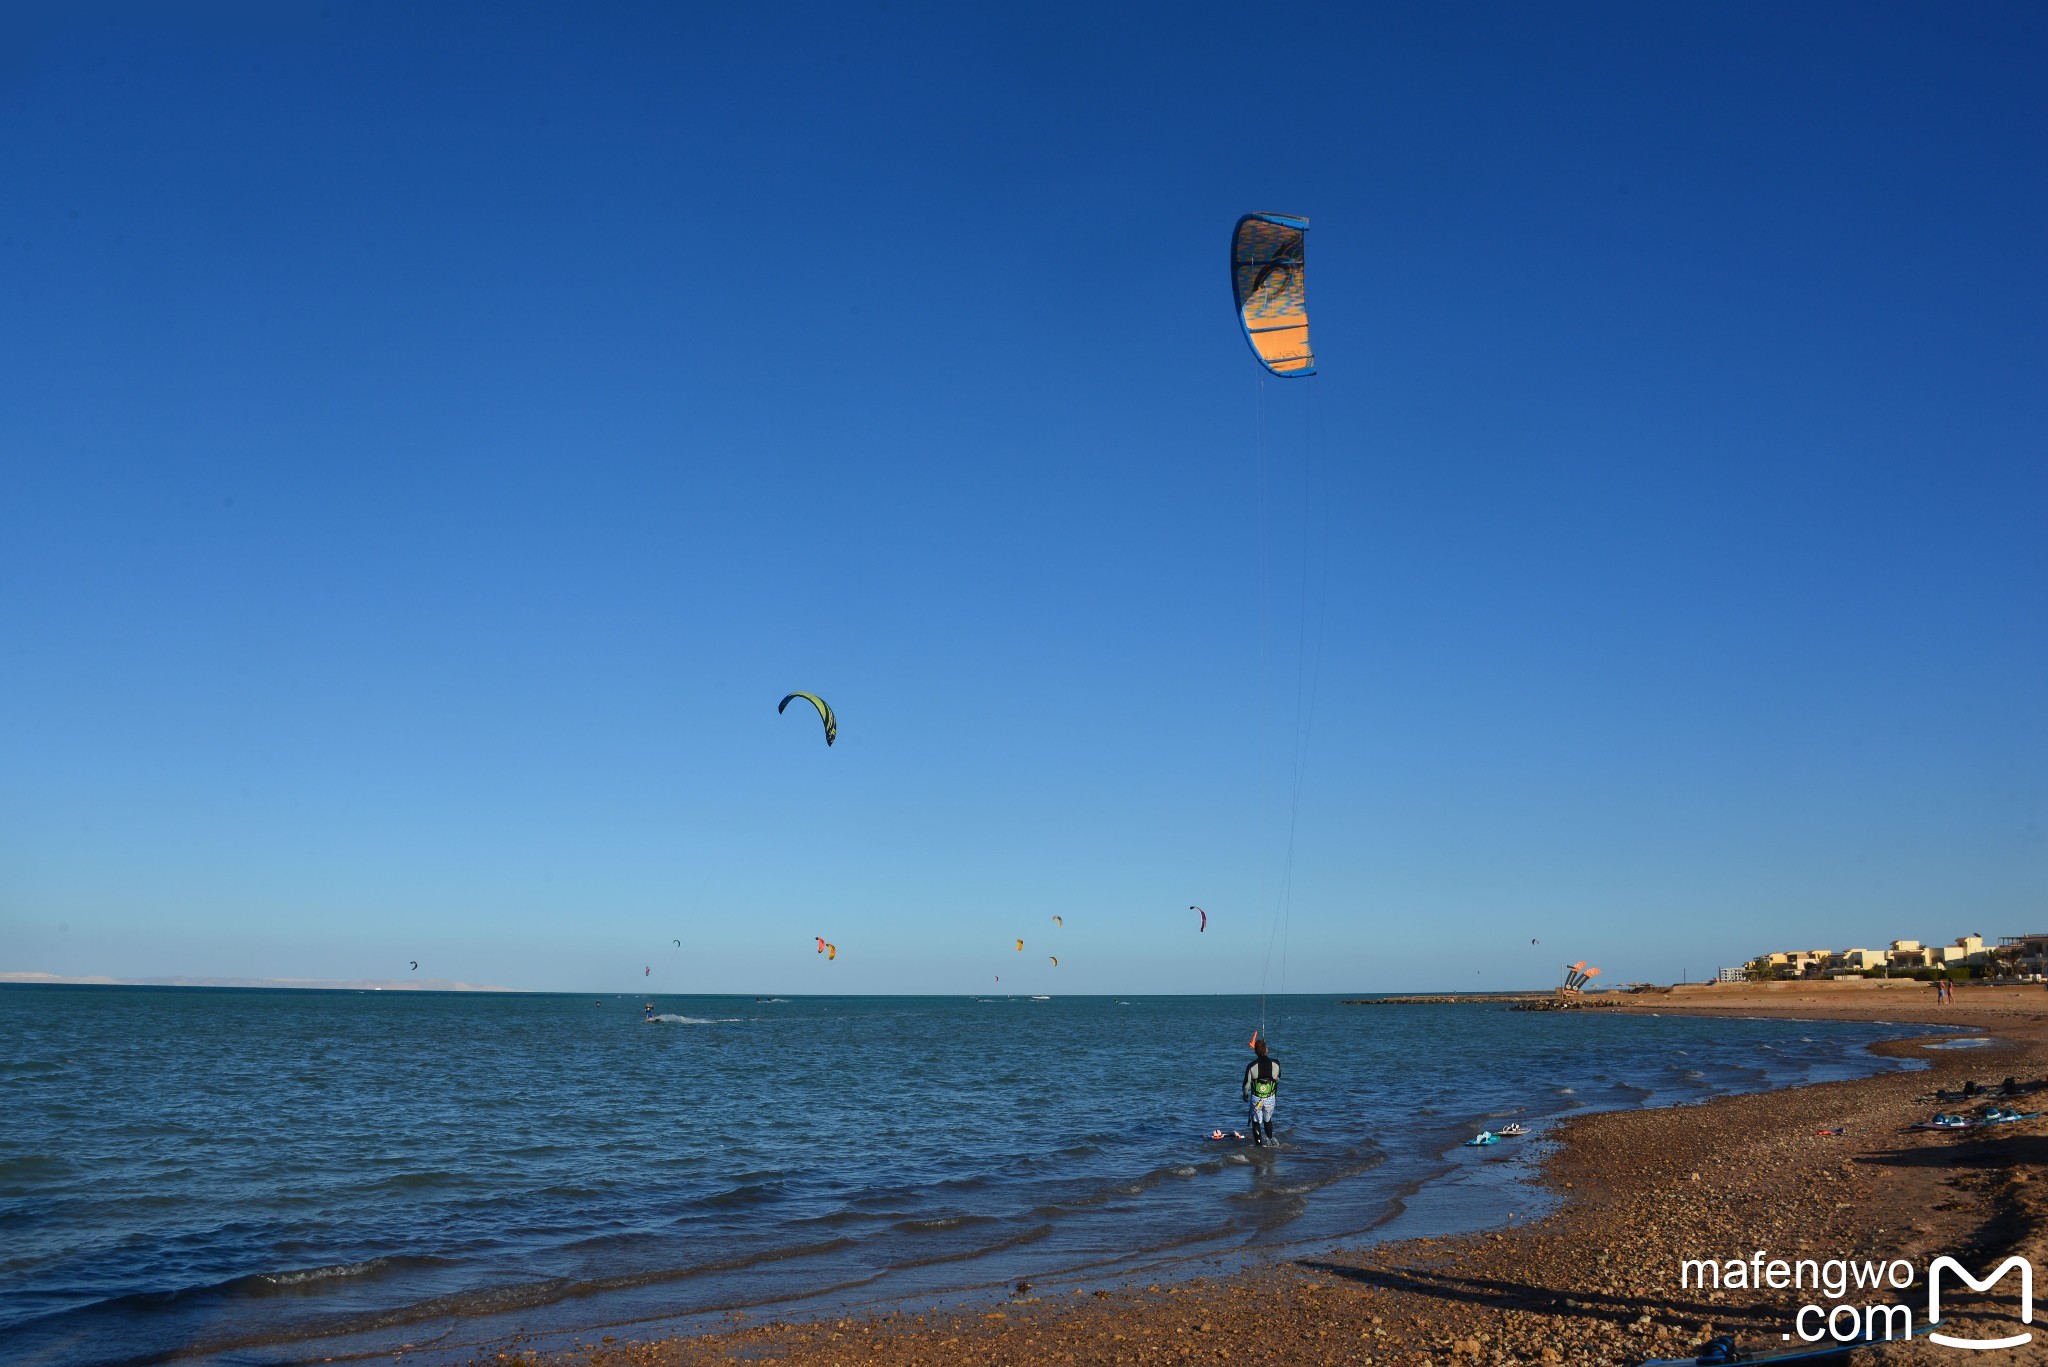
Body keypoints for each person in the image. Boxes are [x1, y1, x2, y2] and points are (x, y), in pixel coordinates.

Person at [1243, 1035, 1281, 1147]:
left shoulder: (1251, 1066)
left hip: (1256, 1099)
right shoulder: (1276, 1064)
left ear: (1255, 1051)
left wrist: (1245, 1095)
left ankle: (1259, 1146)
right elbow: (1277, 1078)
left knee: (1256, 1122)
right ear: (1266, 1050)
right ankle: (1270, 1142)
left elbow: (1246, 1085)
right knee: (1267, 1120)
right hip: (1270, 1097)